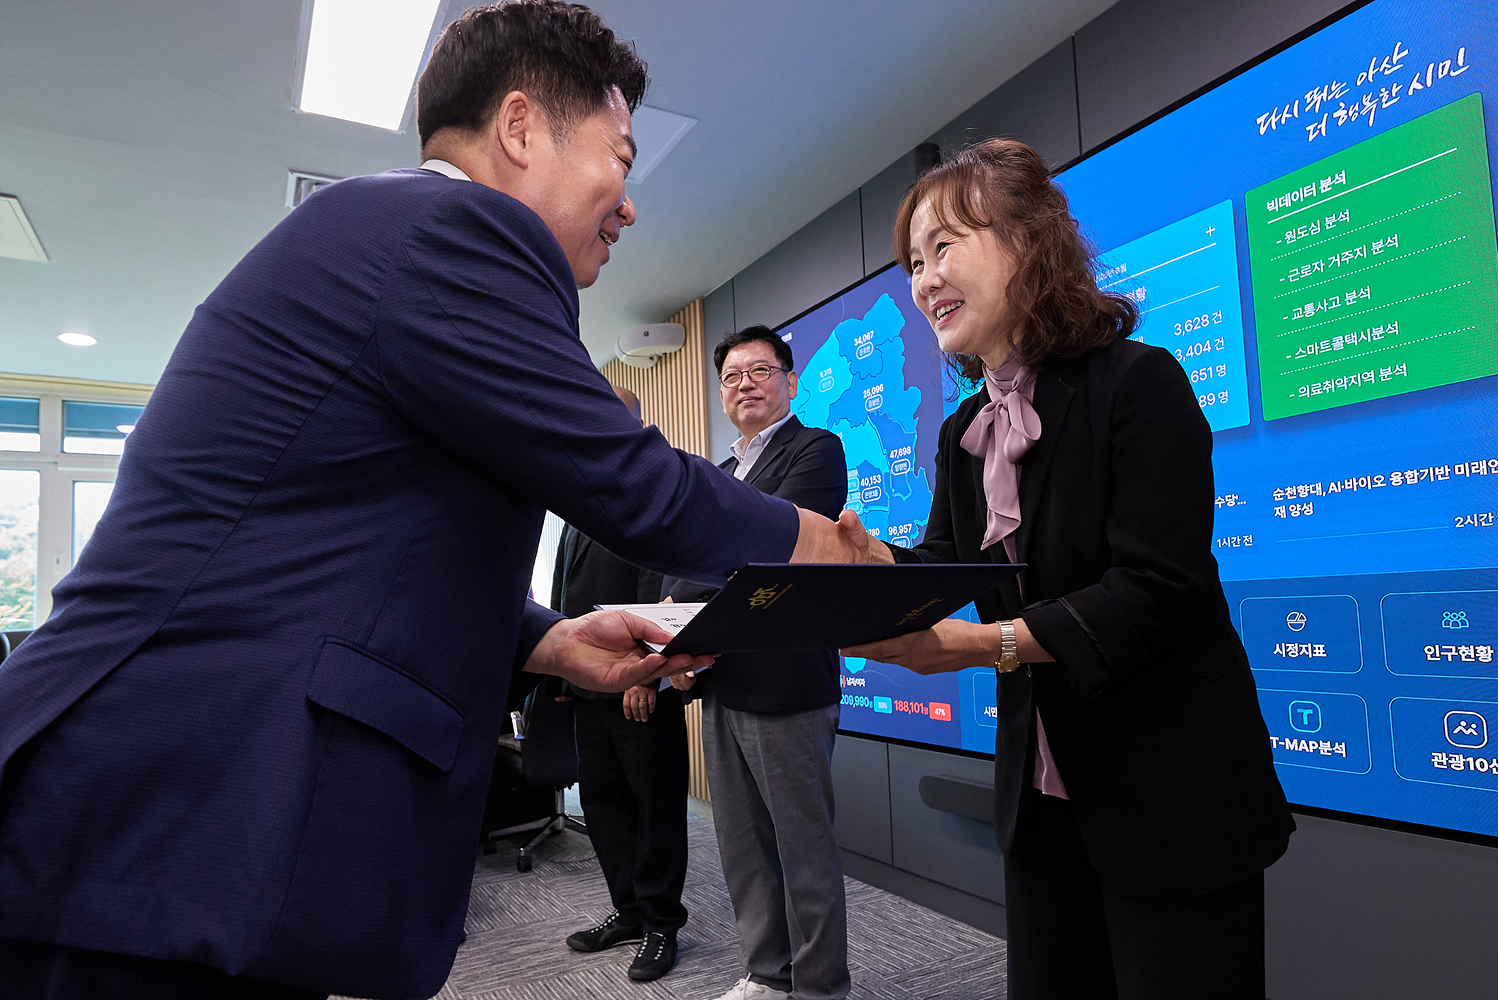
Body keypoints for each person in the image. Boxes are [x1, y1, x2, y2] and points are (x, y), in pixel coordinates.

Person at [0, 5, 861, 999]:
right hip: (165, 801)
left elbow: (366, 544)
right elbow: (640, 485)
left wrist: (547, 639)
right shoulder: (451, 230)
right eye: (619, 158)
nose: (629, 205)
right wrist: (839, 552)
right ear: (521, 128)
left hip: (169, 815)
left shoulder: (394, 237)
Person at [841, 139, 1295, 1000]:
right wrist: (870, 566)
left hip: (1170, 792)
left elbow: (1155, 589)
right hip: (1044, 797)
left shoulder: (1139, 383)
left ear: (1027, 242)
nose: (924, 280)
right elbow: (944, 565)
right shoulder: (962, 431)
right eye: (914, 262)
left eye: (944, 247)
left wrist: (989, 646)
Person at [664, 326, 850, 1000]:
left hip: (787, 680)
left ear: (791, 381)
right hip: (723, 677)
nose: (745, 384)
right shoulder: (718, 472)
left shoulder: (816, 449)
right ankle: (767, 974)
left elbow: (771, 545)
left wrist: (685, 606)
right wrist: (674, 640)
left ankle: (821, 987)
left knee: (802, 848)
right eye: (731, 376)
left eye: (760, 370)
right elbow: (684, 558)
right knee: (742, 845)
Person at [552, 386, 687, 984]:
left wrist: (648, 670)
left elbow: (663, 585)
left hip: (638, 681)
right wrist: (563, 671)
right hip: (588, 685)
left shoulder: (651, 489)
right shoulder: (581, 493)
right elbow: (568, 587)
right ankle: (628, 911)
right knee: (603, 803)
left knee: (654, 806)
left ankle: (661, 923)